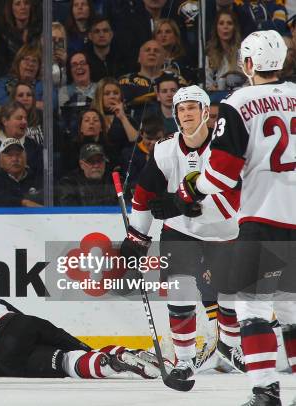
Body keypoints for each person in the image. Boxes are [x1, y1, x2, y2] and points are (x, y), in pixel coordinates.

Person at [174, 30, 295, 405]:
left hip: (264, 217)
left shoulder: (239, 102)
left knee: (251, 305)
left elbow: (223, 173)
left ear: (247, 64)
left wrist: (192, 188)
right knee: (291, 309)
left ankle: (265, 392)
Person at [120, 85, 245, 383]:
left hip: (224, 231)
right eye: (181, 109)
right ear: (175, 115)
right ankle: (185, 361)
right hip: (180, 233)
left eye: (192, 107)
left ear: (206, 112)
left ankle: (229, 345)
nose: (186, 113)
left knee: (230, 296)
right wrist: (137, 236)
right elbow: (144, 195)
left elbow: (231, 201)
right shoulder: (163, 149)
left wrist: (181, 205)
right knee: (181, 291)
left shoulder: (223, 148)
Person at [0, 295, 163, 379]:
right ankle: (117, 353)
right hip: (19, 324)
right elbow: (16, 314)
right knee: (78, 351)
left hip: (0, 356)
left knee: (65, 362)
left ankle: (111, 364)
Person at [0, 138, 43, 207]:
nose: (15, 159)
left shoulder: (38, 177)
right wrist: (23, 203)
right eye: (9, 155)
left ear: (25, 158)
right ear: (0, 160)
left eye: (18, 154)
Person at [205, 10, 242, 91]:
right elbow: (207, 84)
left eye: (229, 23)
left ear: (234, 28)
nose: (225, 27)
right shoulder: (210, 56)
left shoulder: (242, 53)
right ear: (216, 28)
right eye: (221, 23)